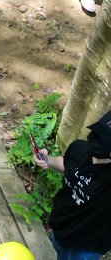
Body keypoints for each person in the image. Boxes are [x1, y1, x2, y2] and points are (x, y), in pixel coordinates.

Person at [34, 111, 111, 259]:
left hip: (87, 247)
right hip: (61, 227)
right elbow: (67, 163)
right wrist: (47, 160)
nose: (97, 141)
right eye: (99, 133)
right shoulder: (79, 149)